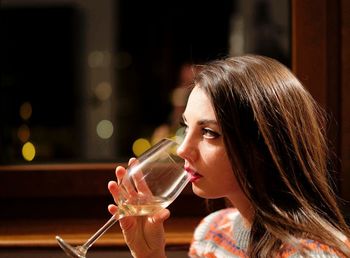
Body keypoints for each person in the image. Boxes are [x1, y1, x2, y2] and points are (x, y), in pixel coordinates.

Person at [108, 55, 350, 257]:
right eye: (186, 128)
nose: (182, 150)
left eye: (209, 133)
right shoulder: (212, 233)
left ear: (264, 145)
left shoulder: (314, 254)